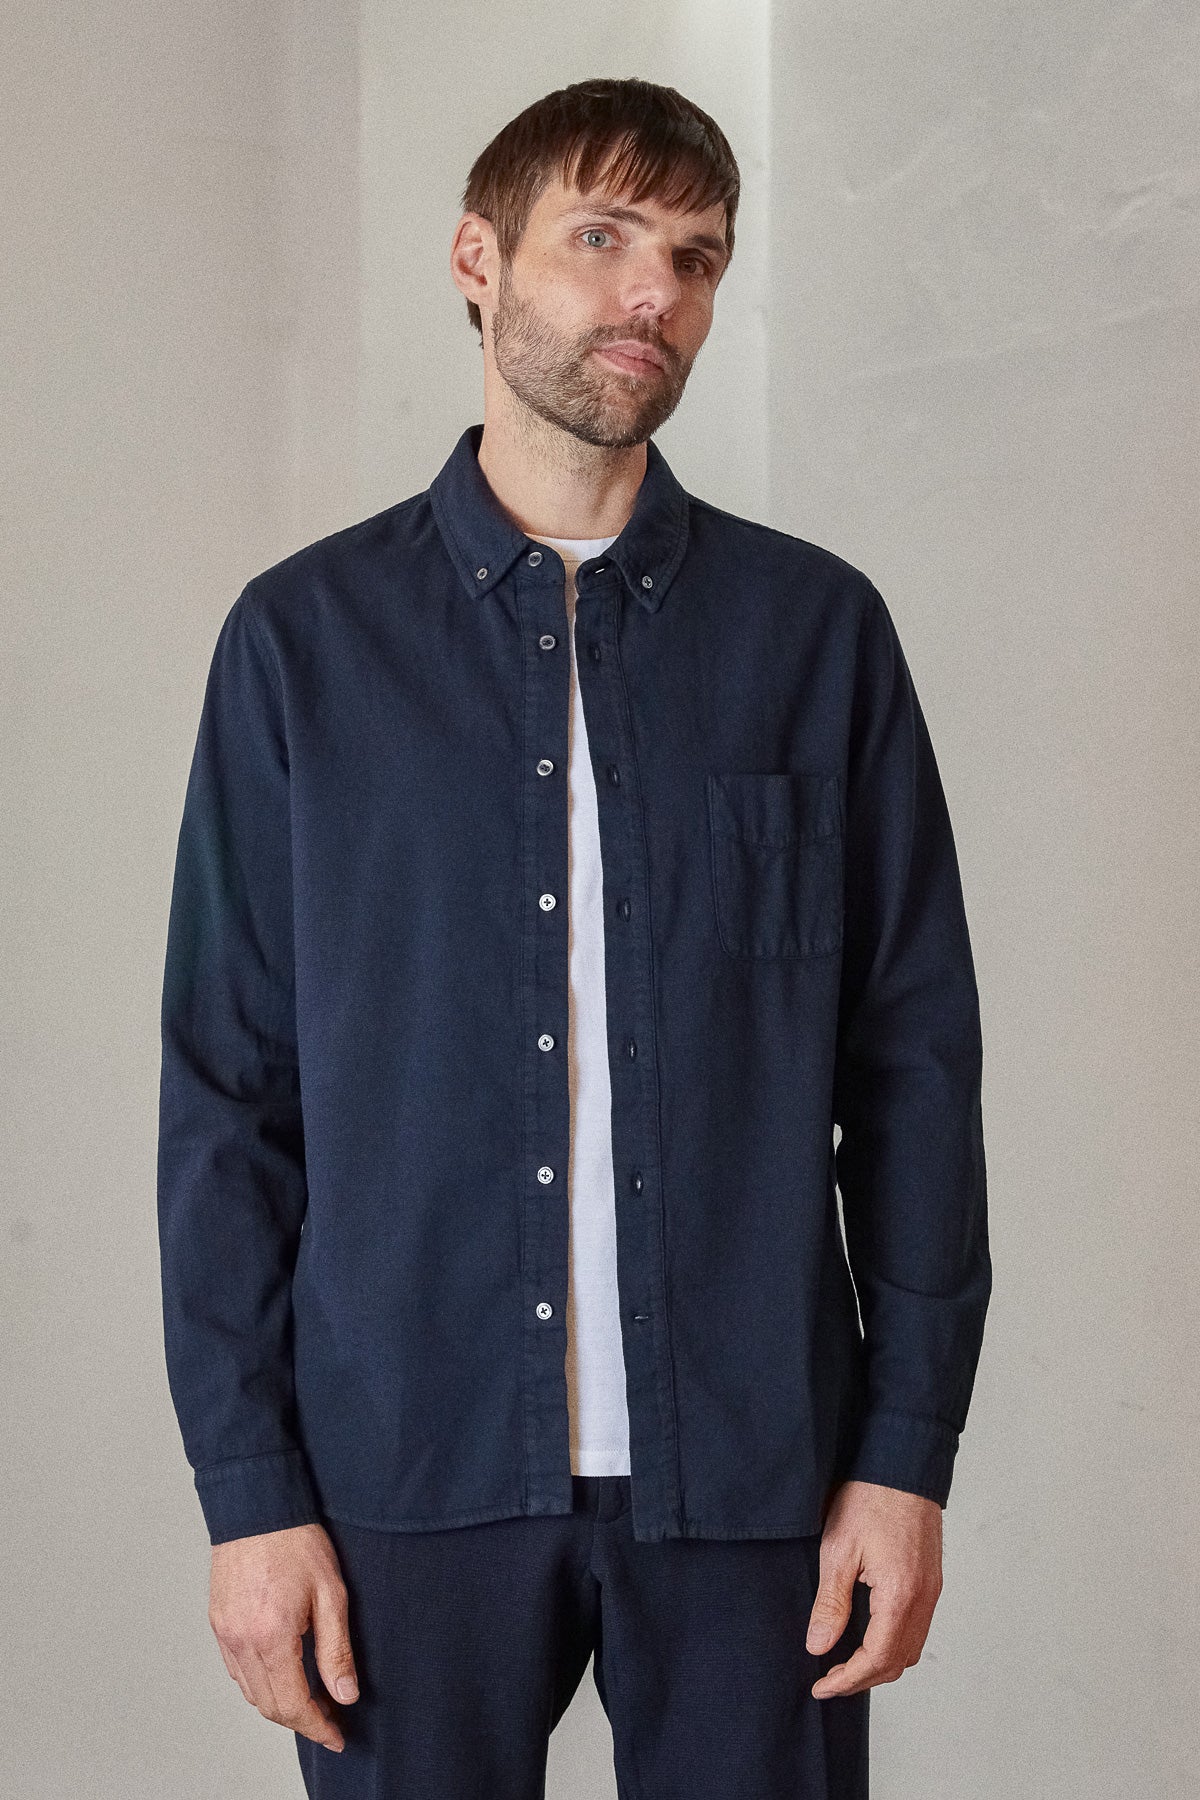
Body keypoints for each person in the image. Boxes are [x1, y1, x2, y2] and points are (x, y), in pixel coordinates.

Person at [157, 76, 992, 1800]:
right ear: (478, 260)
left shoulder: (817, 637)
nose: (652, 294)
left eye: (697, 257)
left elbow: (913, 1073)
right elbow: (229, 1098)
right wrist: (249, 1493)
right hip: (404, 1475)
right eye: (603, 237)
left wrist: (908, 1453)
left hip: (756, 1479)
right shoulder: (303, 645)